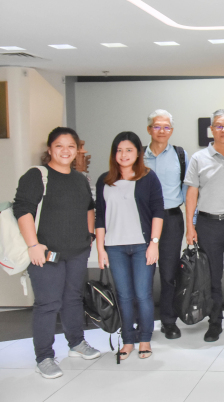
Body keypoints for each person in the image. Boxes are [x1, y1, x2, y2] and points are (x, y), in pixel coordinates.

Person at [14, 127, 101, 379]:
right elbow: (23, 210)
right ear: (50, 149)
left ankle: (76, 343)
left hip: (77, 251)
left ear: (77, 150)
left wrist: (89, 236)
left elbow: (89, 207)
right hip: (45, 253)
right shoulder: (37, 175)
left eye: (71, 146)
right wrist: (33, 245)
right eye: (59, 146)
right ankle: (44, 357)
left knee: (73, 298)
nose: (65, 151)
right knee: (48, 303)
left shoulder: (80, 178)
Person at [96, 131, 164, 360]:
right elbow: (100, 217)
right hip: (114, 247)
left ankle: (145, 338)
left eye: (129, 150)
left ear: (138, 153)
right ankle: (127, 340)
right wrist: (100, 249)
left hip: (142, 246)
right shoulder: (104, 180)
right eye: (119, 150)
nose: (123, 155)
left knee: (143, 295)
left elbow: (158, 211)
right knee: (124, 296)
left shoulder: (148, 177)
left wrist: (154, 243)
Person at [184, 109, 224, 342]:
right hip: (207, 224)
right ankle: (215, 323)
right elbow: (191, 194)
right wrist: (190, 227)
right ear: (211, 129)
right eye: (219, 126)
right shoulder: (198, 158)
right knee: (211, 278)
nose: (223, 130)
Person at [143, 109, 189, 340]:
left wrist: (192, 222)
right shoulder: (138, 156)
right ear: (149, 129)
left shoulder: (180, 155)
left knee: (169, 273)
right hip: (143, 220)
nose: (162, 131)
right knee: (143, 273)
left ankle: (169, 321)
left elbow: (188, 189)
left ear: (171, 130)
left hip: (171, 219)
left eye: (166, 127)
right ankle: (143, 323)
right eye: (157, 126)